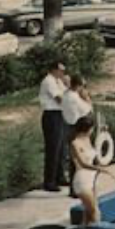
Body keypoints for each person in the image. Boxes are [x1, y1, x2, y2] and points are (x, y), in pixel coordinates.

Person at [70, 115, 105, 227]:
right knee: (95, 211)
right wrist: (98, 168)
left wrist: (98, 165)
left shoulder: (88, 139)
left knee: (88, 211)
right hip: (82, 180)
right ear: (87, 129)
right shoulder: (75, 143)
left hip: (92, 178)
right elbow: (82, 163)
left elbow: (92, 157)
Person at [62, 75, 93, 198]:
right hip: (76, 127)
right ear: (79, 86)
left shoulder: (66, 94)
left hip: (68, 125)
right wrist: (87, 98)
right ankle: (77, 188)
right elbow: (87, 109)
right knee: (78, 159)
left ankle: (74, 187)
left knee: (73, 159)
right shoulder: (74, 98)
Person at [38, 61, 68, 192]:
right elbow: (60, 98)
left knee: (61, 148)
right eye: (61, 71)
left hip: (61, 114)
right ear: (54, 70)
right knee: (53, 149)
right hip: (52, 115)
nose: (62, 73)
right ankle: (49, 181)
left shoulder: (59, 81)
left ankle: (59, 176)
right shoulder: (49, 81)